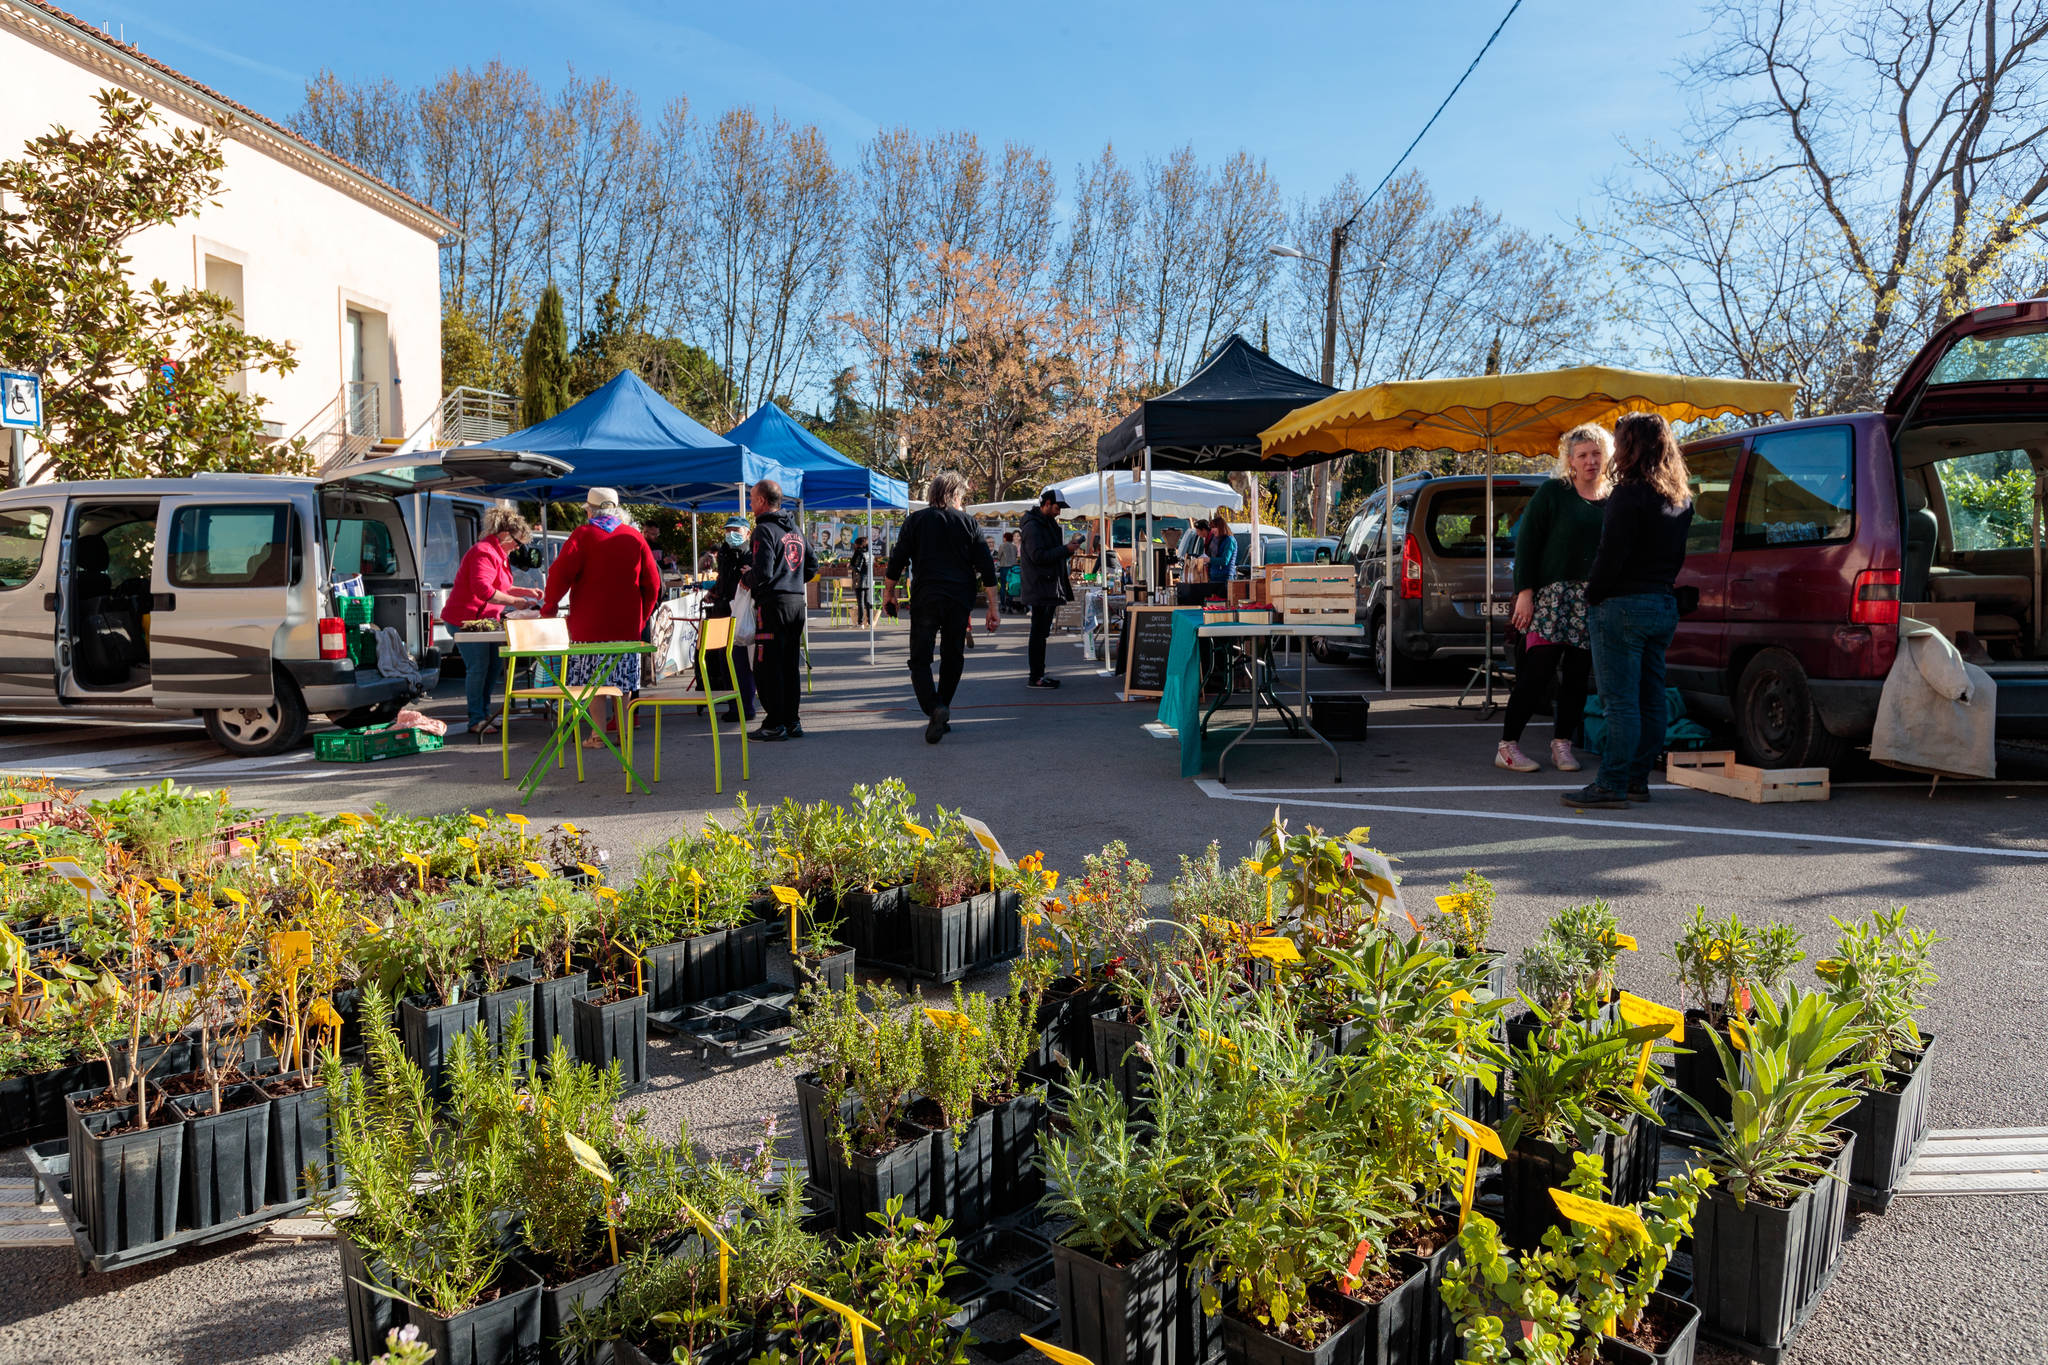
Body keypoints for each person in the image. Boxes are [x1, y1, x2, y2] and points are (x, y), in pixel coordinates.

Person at [1567, 412, 1695, 810]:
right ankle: (1637, 779)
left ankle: (1612, 783)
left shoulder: (1628, 494)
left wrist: (1593, 595)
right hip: (1662, 603)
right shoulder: (1681, 498)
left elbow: (1611, 556)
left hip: (1622, 605)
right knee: (1651, 698)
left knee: (1620, 701)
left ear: (1631, 447)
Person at [1496, 424, 1611, 774]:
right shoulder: (1553, 493)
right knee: (1538, 671)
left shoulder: (1615, 498)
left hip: (1590, 598)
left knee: (1578, 676)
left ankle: (1563, 744)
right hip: (1550, 596)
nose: (1591, 461)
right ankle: (1507, 746)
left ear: (1607, 456)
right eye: (1583, 455)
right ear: (1570, 461)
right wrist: (1525, 593)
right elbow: (1527, 544)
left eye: (1596, 453)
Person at [885, 469, 999, 743]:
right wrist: (993, 607)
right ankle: (943, 706)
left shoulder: (915, 521)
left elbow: (897, 560)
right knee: (953, 656)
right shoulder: (969, 523)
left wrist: (889, 593)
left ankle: (935, 708)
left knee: (920, 659)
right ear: (955, 495)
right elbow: (986, 568)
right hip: (959, 599)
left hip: (926, 597)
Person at [542, 489, 662, 748]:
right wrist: (642, 617)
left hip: (588, 625)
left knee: (592, 681)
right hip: (626, 625)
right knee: (623, 681)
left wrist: (549, 608)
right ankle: (624, 732)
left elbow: (559, 575)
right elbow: (653, 584)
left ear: (589, 510)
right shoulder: (634, 537)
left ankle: (597, 734)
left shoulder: (582, 535)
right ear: (618, 510)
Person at [441, 506, 542, 737]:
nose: (518, 547)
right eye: (517, 542)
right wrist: (516, 601)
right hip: (466, 620)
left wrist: (525, 591)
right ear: (505, 534)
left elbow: (500, 587)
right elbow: (483, 590)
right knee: (478, 667)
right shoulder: (483, 552)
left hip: (484, 620)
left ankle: (483, 714)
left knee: (493, 667)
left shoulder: (497, 554)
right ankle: (477, 718)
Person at [743, 479, 815, 741]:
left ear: (762, 500)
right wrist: (792, 580)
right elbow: (811, 565)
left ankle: (775, 722)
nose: (750, 505)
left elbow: (762, 573)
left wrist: (747, 578)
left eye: (752, 499)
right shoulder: (794, 528)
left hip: (773, 605)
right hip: (795, 602)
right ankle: (791, 720)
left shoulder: (764, 531)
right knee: (788, 665)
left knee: (766, 665)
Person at [1018, 487, 1075, 688]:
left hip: (1046, 584)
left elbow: (1047, 554)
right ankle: (1036, 676)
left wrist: (1067, 550)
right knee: (1038, 632)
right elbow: (1038, 556)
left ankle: (1038, 673)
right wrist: (1065, 550)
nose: (1060, 511)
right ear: (1047, 504)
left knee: (1041, 632)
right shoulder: (1034, 526)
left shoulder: (1046, 524)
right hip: (1041, 585)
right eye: (1058, 507)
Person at [704, 516, 757, 724]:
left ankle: (745, 706)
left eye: (736, 530)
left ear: (747, 532)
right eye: (727, 531)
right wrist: (715, 592)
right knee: (723, 660)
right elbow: (723, 578)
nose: (731, 535)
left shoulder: (750, 554)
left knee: (739, 661)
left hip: (740, 612)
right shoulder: (725, 552)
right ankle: (733, 705)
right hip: (721, 609)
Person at [996, 531, 1022, 612]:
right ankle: (1010, 606)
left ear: (1005, 538)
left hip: (1004, 568)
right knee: (1011, 587)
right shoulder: (1014, 547)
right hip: (1013, 568)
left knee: (1003, 587)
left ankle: (1003, 605)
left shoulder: (1002, 546)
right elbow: (1015, 556)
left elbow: (999, 556)